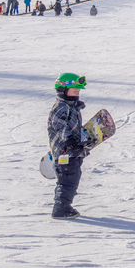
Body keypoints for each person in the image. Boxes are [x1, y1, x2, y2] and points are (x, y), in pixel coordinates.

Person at [48, 73, 89, 219]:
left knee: (73, 178)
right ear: (62, 90)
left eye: (78, 91)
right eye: (74, 91)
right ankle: (60, 209)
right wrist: (70, 143)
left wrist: (82, 142)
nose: (77, 94)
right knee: (66, 181)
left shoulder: (71, 107)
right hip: (65, 152)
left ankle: (64, 205)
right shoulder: (61, 107)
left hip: (72, 152)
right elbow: (60, 128)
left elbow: (72, 128)